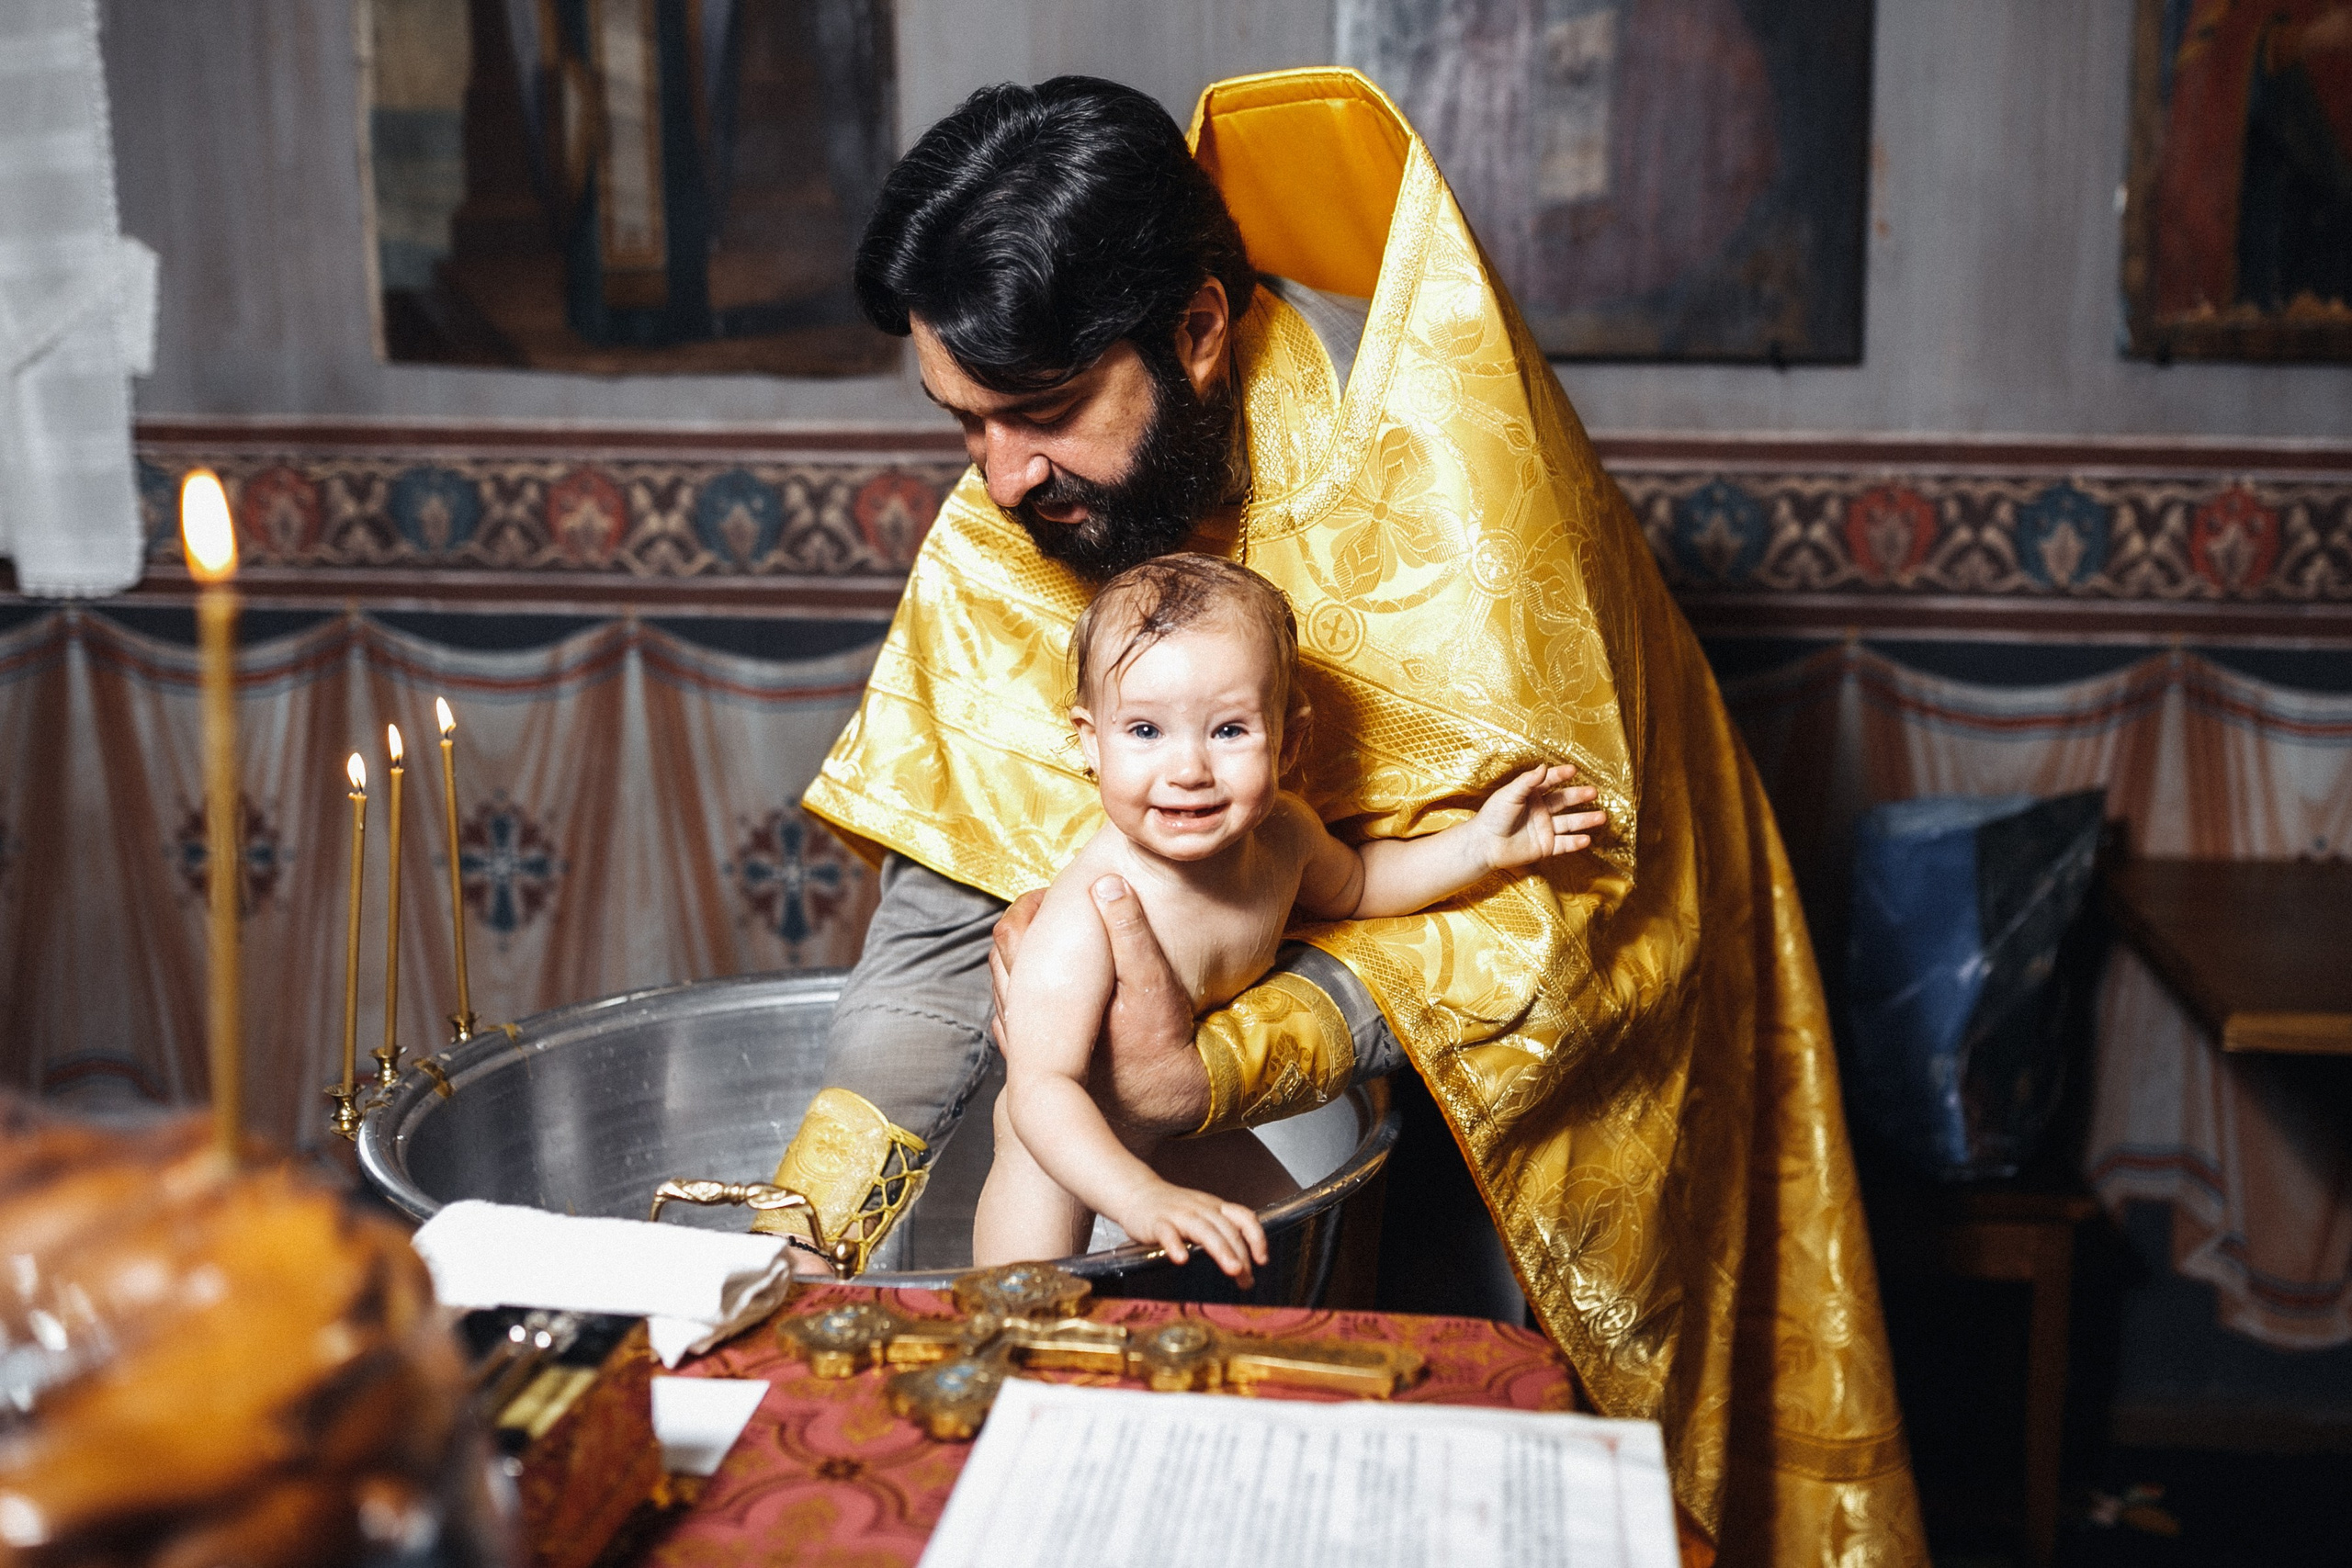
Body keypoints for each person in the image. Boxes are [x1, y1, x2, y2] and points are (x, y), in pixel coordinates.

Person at [751, 69, 1928, 1565]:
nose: (995, 481)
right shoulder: (1028, 504)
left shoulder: (1443, 468)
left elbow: (1557, 916)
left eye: (1039, 417)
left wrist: (1216, 1066)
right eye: (961, 424)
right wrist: (805, 1220)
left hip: (1536, 1118)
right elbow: (944, 906)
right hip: (1215, 1161)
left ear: (1196, 327)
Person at [975, 554, 1604, 1282]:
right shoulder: (1091, 907)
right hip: (1058, 1139)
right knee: (1022, 1303)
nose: (1188, 770)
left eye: (1229, 731)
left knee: (1288, 1262)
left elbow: (1361, 884)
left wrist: (1480, 845)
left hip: (1178, 1120)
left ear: (1291, 738)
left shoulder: (1286, 835)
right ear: (1091, 740)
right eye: (1145, 731)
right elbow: (1042, 1086)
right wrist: (1139, 1195)